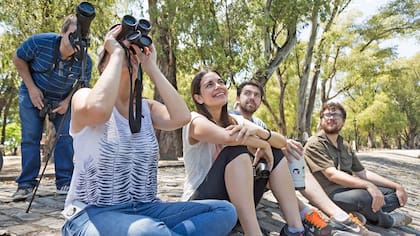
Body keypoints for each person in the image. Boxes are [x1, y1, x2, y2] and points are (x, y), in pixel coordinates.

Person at [61, 24, 237, 236]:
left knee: (224, 210)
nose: (128, 57)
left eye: (131, 53)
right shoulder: (84, 97)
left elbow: (182, 117)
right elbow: (99, 111)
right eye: (121, 53)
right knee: (147, 231)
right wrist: (116, 52)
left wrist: (151, 66)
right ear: (102, 67)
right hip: (91, 213)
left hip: (146, 208)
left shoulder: (146, 108)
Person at [232, 80, 380, 235]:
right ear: (237, 98)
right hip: (238, 185)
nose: (252, 98)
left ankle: (335, 216)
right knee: (277, 155)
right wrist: (275, 143)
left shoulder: (258, 123)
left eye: (257, 95)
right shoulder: (229, 117)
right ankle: (314, 216)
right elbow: (256, 145)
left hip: (258, 177)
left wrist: (284, 144)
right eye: (247, 93)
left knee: (293, 152)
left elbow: (275, 141)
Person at [183, 69, 309, 236]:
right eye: (210, 84)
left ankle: (295, 229)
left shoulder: (236, 120)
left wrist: (264, 136)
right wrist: (261, 144)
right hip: (201, 204)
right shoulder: (194, 120)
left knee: (276, 152)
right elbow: (228, 138)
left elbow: (280, 142)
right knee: (236, 150)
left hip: (232, 203)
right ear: (198, 97)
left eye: (221, 82)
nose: (218, 86)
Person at [12, 15, 93, 201]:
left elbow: (82, 86)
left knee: (66, 136)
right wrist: (31, 88)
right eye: (72, 35)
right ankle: (25, 185)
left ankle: (65, 182)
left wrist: (67, 102)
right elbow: (18, 58)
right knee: (30, 138)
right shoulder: (40, 42)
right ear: (62, 32)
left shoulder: (85, 61)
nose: (76, 41)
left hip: (63, 98)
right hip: (33, 91)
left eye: (81, 36)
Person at [304, 102, 412, 229]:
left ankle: (359, 213)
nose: (331, 118)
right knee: (365, 196)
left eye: (336, 115)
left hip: (350, 190)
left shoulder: (344, 145)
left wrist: (397, 186)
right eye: (327, 115)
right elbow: (332, 174)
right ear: (321, 120)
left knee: (393, 194)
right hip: (329, 194)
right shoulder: (315, 144)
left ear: (343, 121)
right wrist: (368, 185)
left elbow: (363, 173)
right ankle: (387, 220)